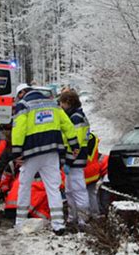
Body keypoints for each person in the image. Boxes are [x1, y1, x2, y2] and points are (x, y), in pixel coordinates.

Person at [12, 85, 80, 236]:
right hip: (52, 152)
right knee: (53, 188)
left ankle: (20, 222)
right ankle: (58, 225)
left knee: (24, 186)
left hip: (31, 153)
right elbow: (67, 125)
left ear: (23, 93)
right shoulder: (53, 103)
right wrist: (74, 144)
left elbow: (19, 128)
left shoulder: (24, 105)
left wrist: (17, 151)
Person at [58, 90, 90, 230]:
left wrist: (69, 161)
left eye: (62, 103)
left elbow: (74, 143)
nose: (61, 106)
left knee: (78, 190)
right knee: (70, 190)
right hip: (74, 159)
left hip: (75, 159)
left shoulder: (76, 118)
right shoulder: (76, 116)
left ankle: (83, 219)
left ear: (68, 102)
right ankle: (73, 218)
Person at [84, 132, 101, 216]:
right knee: (91, 193)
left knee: (79, 194)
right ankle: (95, 213)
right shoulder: (93, 136)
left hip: (83, 170)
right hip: (94, 170)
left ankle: (84, 215)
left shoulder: (78, 135)